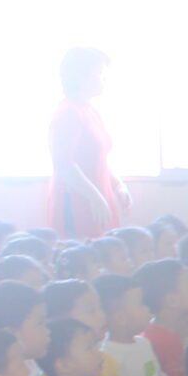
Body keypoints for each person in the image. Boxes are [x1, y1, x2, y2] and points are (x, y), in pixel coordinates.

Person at [47, 47, 129, 239]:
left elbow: (98, 160)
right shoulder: (68, 112)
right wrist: (94, 196)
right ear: (82, 75)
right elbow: (64, 165)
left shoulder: (90, 110)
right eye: (99, 73)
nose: (103, 78)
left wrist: (117, 185)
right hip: (78, 201)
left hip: (98, 197)